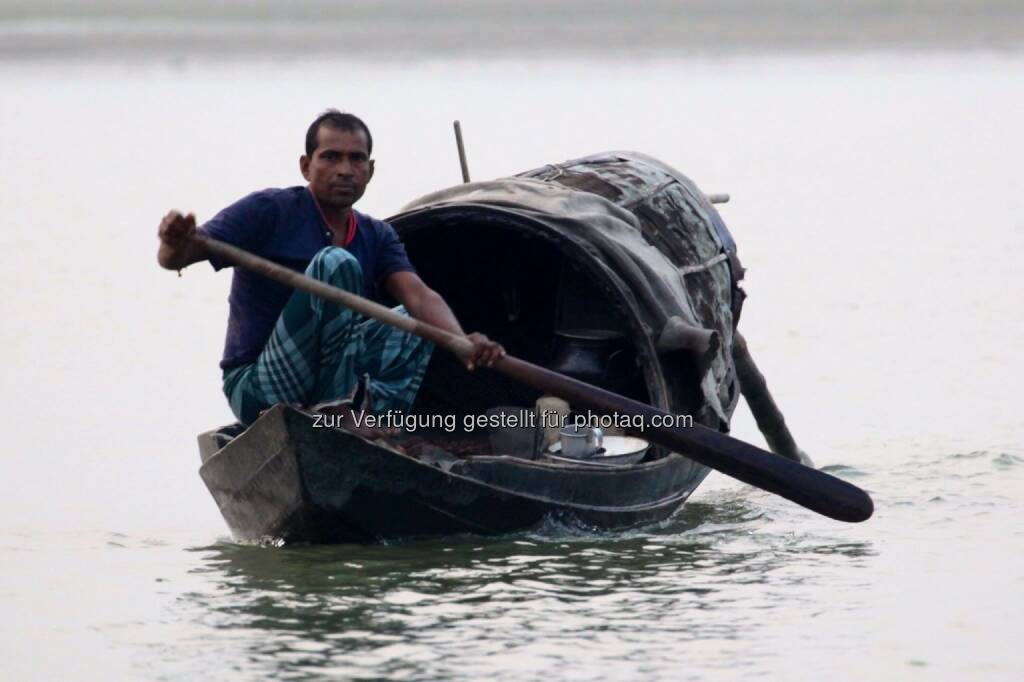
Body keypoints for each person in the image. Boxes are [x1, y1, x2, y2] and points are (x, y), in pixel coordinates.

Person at [157, 109, 504, 433]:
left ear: (370, 170)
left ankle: (381, 421)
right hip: (259, 386)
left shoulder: (377, 235)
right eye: (330, 157)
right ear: (306, 166)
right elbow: (179, 256)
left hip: (328, 381)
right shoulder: (270, 210)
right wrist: (174, 242)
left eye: (356, 159)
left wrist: (461, 342)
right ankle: (336, 411)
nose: (344, 169)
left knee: (416, 323)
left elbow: (417, 295)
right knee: (335, 263)